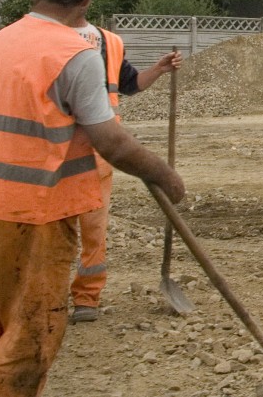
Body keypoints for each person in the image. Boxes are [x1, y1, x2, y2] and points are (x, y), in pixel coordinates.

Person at [0, 0, 185, 396]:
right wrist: (163, 174)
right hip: (34, 216)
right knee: (29, 340)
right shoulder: (74, 54)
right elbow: (110, 140)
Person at [69, 18, 182, 324]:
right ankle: (83, 300)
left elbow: (130, 84)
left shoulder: (108, 42)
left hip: (81, 151)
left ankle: (81, 299)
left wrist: (159, 69)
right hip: (98, 149)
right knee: (91, 229)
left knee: (76, 229)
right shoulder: (104, 40)